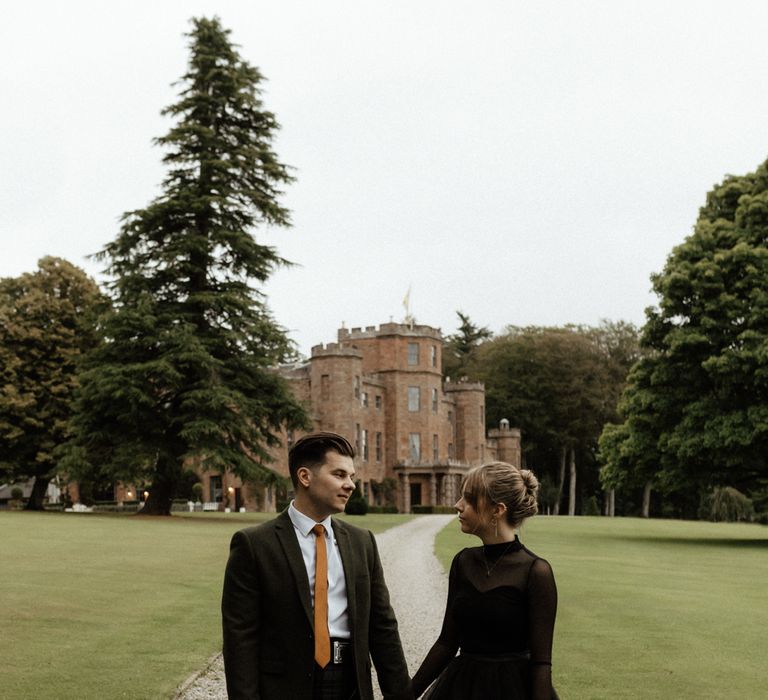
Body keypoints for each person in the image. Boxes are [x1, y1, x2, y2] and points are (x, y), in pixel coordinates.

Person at [222, 431, 413, 700]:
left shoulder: (362, 543)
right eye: (339, 475)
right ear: (305, 477)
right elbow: (239, 639)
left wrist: (401, 694)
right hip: (284, 688)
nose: (351, 485)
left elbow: (382, 628)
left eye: (352, 477)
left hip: (350, 684)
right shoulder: (254, 545)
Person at [411, 461, 558, 700]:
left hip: (513, 690)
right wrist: (406, 694)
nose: (458, 506)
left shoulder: (535, 571)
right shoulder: (463, 562)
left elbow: (541, 664)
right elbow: (447, 644)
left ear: (497, 510)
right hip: (461, 687)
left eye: (468, 499)